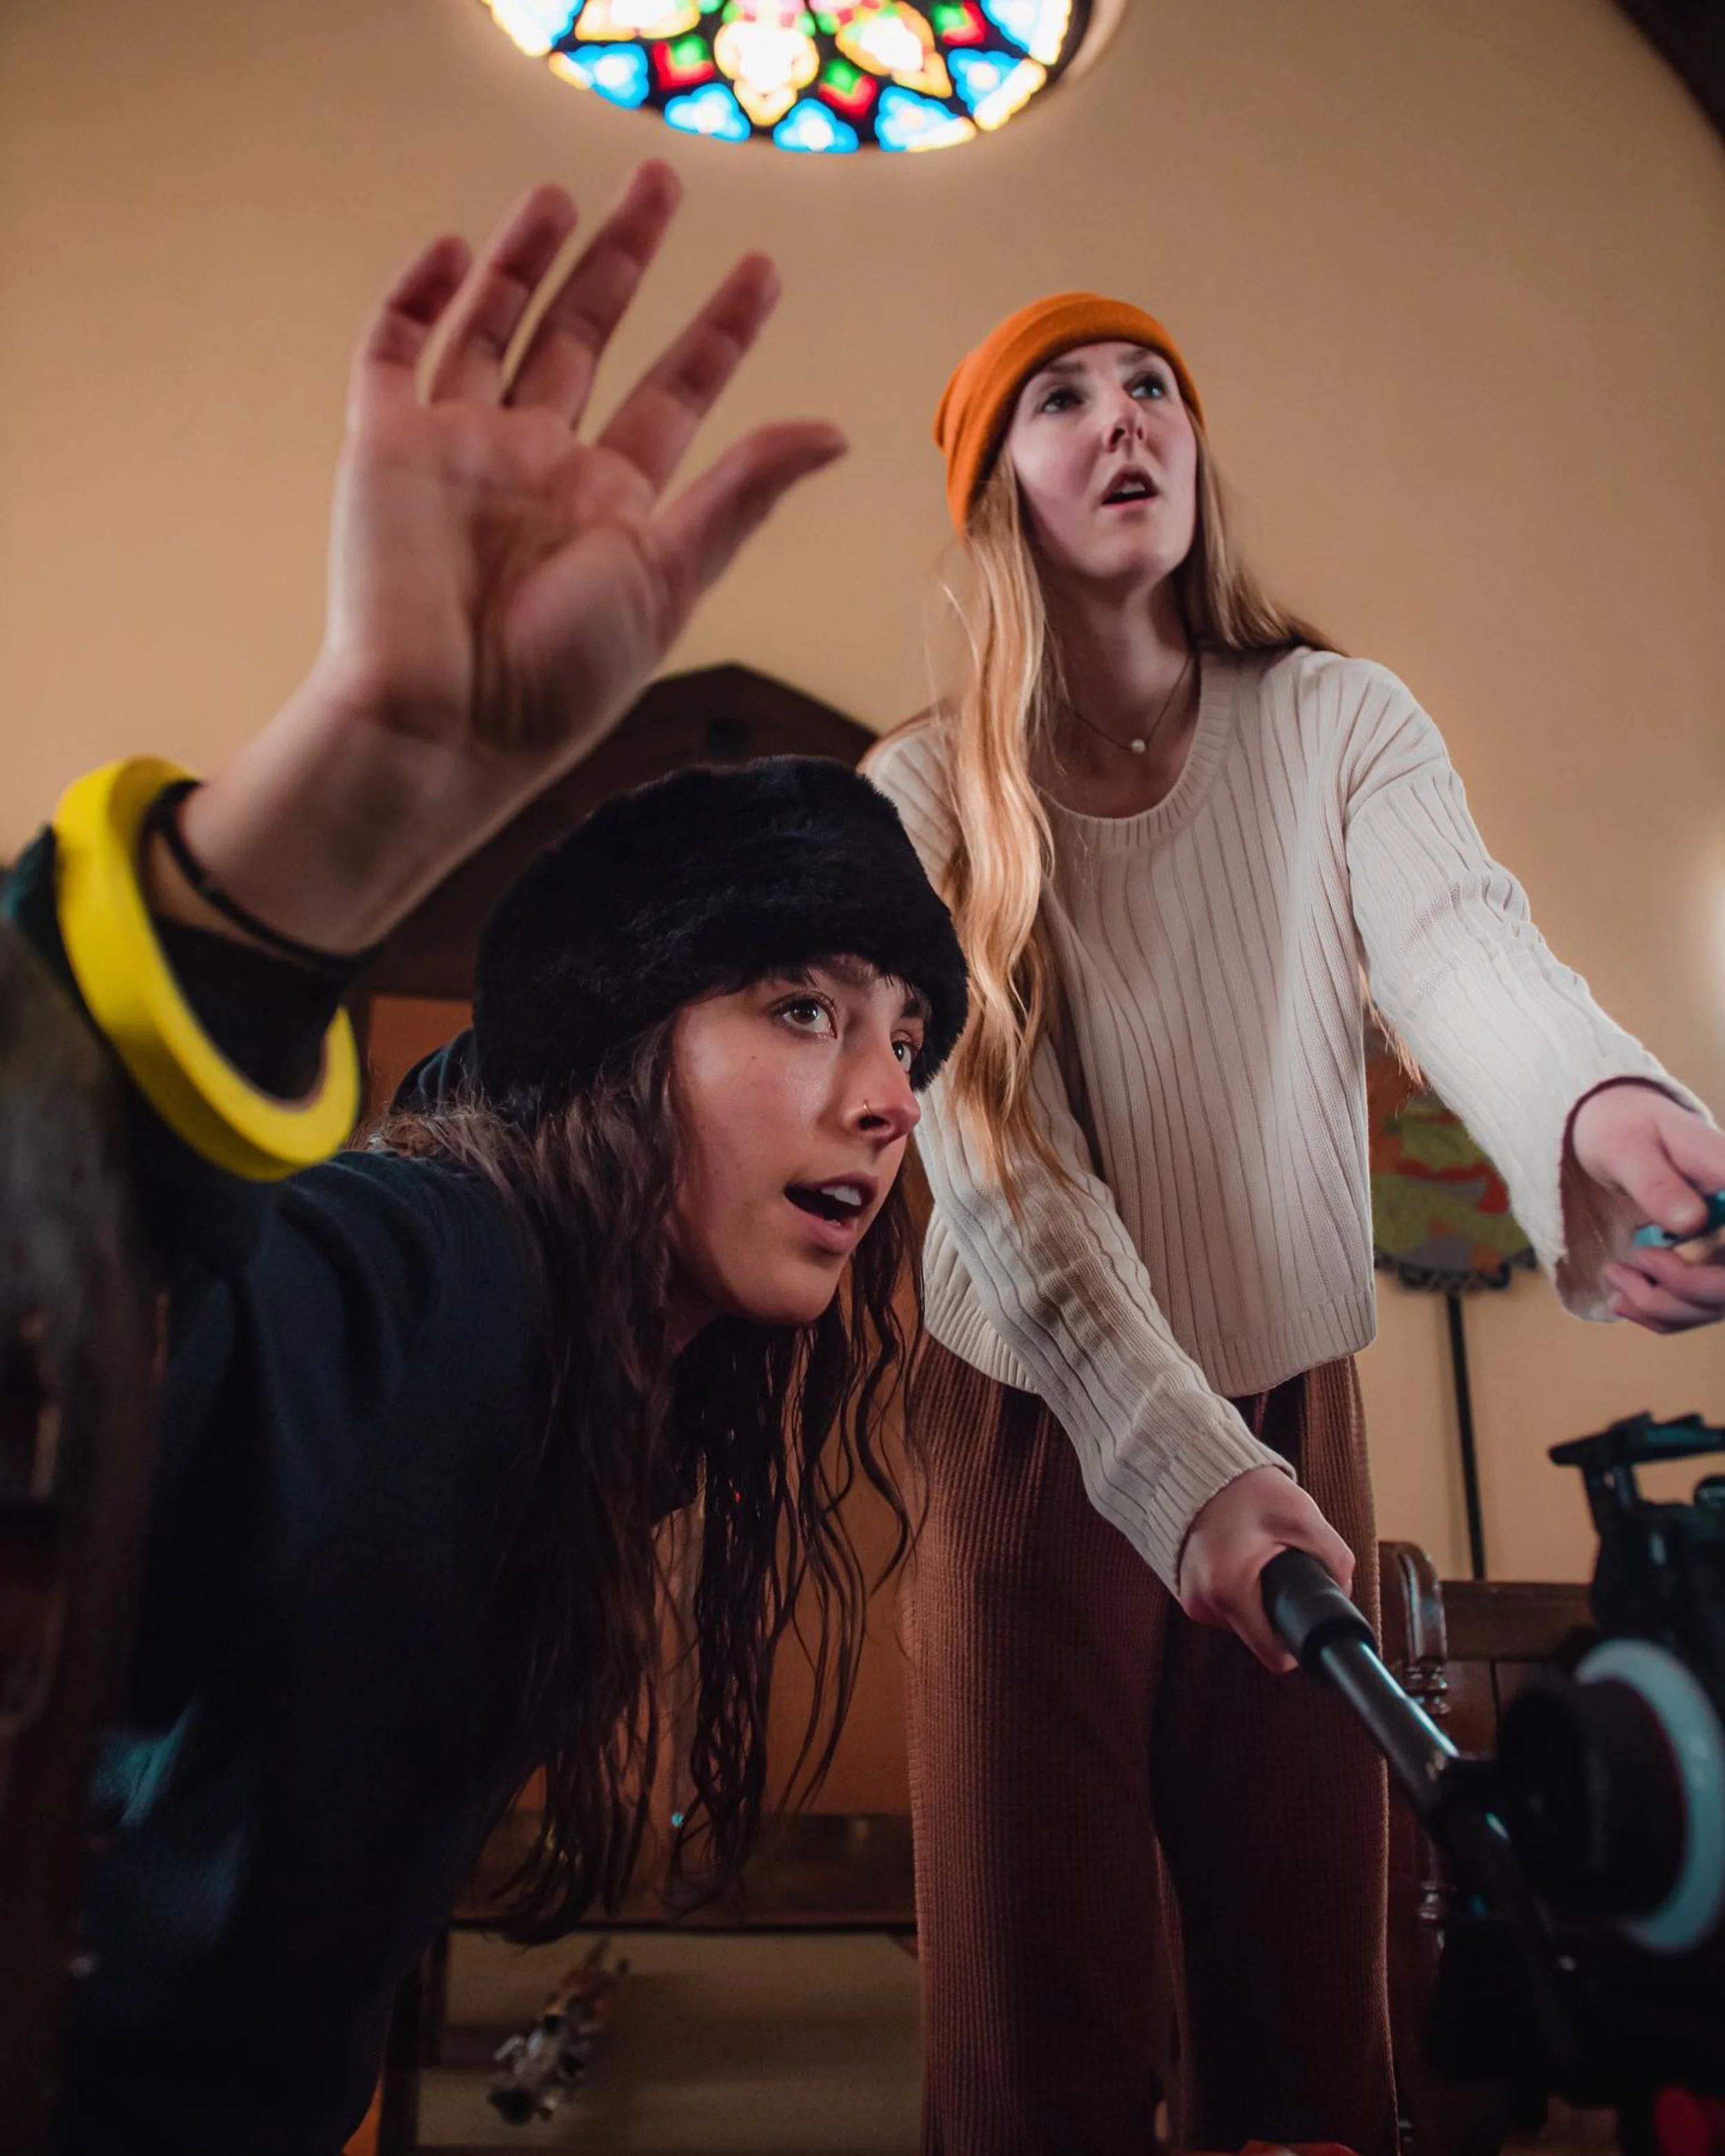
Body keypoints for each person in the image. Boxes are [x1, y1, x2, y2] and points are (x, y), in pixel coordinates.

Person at [6, 166, 968, 2155]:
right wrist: (313, 835)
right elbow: (78, 1346)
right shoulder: (433, 1264)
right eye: (800, 1010)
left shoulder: (609, 1365)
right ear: (618, 1058)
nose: (885, 1094)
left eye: (905, 1038)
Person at [863, 291, 1725, 2156]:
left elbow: (1459, 946)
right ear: (994, 488)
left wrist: (1596, 1103)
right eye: (1061, 400)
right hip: (1030, 1433)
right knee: (1040, 2012)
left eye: (1151, 388)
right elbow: (1010, 1188)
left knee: (1305, 1978)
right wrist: (1175, 1468)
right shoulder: (920, 795)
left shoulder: (1336, 720)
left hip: (1291, 1399)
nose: (1121, 424)